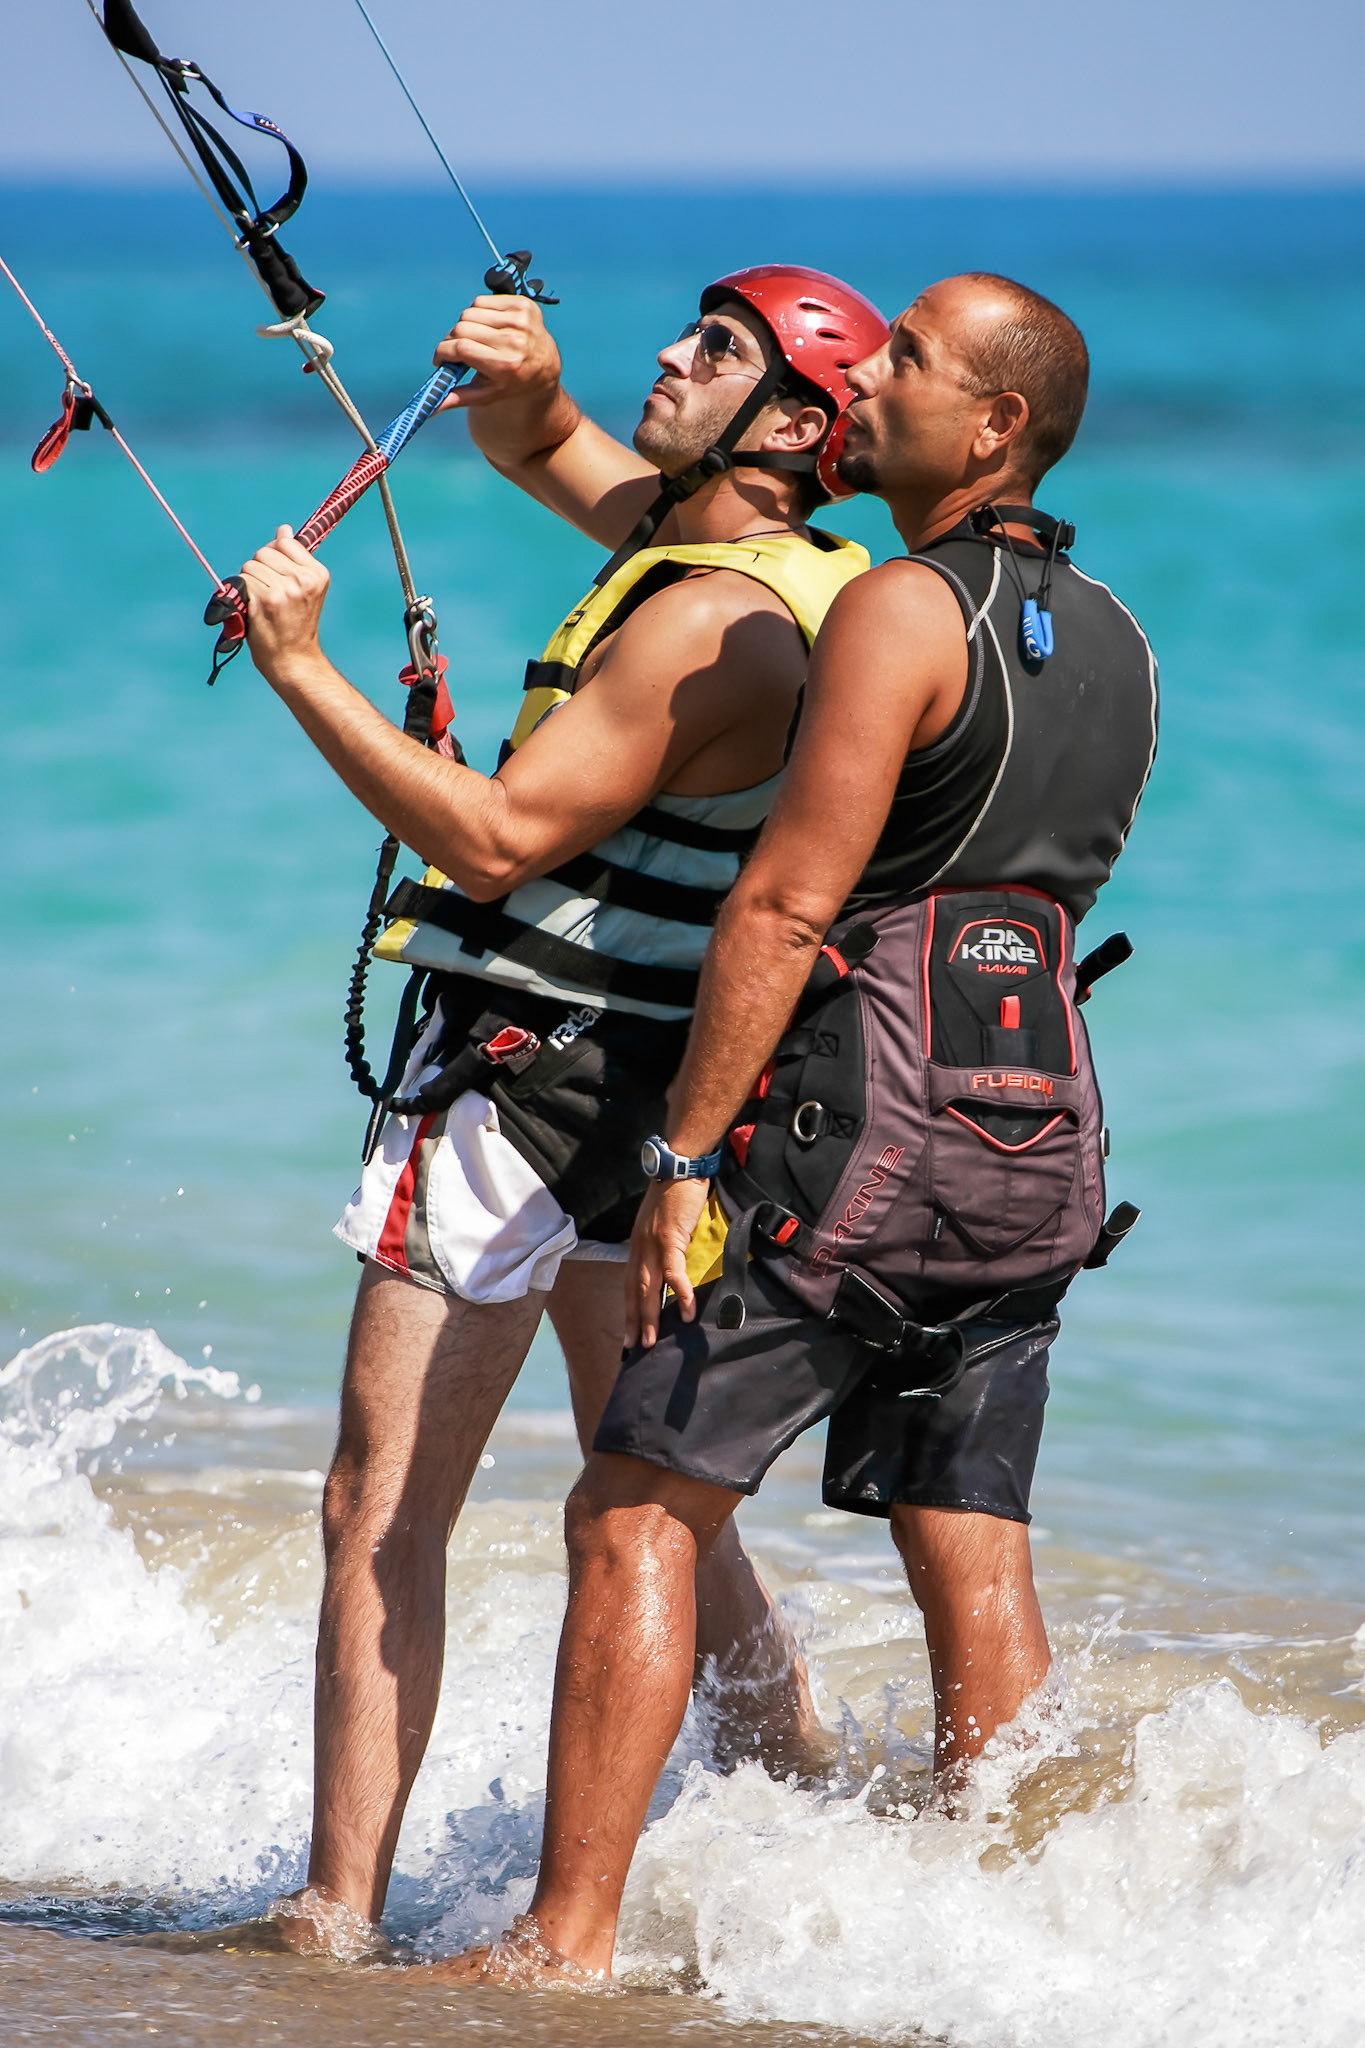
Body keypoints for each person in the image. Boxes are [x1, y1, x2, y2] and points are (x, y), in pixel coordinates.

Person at [440, 271, 1159, 1986]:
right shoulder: (1119, 632)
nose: (876, 378)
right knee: (967, 1533)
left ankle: (563, 1941)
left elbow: (784, 902)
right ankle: (1012, 1945)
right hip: (1037, 1139)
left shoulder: (899, 608)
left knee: (633, 1507)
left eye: (908, 359)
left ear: (993, 425)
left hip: (856, 1137)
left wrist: (684, 1163)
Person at [234, 266, 890, 1955]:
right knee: (664, 1505)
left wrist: (301, 666)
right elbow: (555, 451)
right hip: (668, 1105)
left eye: (716, 352)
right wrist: (525, 373)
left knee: (377, 1500)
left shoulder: (691, 621)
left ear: (795, 430)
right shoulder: (803, 578)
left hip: (524, 1087)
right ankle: (801, 1813)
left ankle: (332, 1912)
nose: (671, 355)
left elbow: (495, 842)